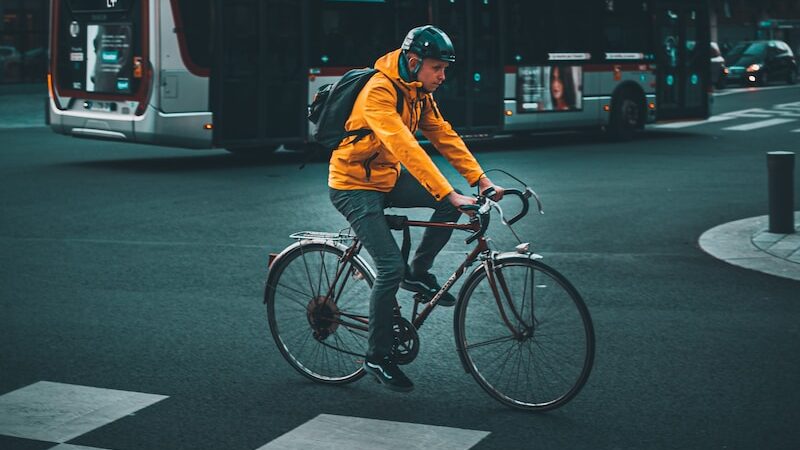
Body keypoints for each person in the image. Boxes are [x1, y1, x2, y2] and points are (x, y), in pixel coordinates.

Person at [328, 25, 504, 392]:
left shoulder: (417, 92)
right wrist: (449, 193)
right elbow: (405, 146)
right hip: (353, 186)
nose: (443, 76)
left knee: (447, 203)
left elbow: (444, 135)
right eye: (437, 68)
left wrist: (481, 181)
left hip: (385, 178)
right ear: (414, 61)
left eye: (444, 69)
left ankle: (418, 272)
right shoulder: (379, 90)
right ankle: (377, 356)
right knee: (389, 268)